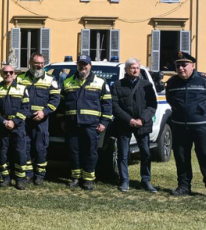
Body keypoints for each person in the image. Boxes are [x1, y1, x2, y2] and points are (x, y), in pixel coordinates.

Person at [166, 52, 206, 199]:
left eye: (184, 65)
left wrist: (204, 113)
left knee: (205, 156)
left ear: (192, 65)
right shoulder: (172, 83)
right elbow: (170, 100)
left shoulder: (205, 80)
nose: (181, 68)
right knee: (181, 157)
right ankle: (183, 186)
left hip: (201, 126)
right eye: (178, 66)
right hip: (180, 126)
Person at [58, 55, 113, 190]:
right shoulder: (68, 82)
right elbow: (62, 104)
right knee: (73, 151)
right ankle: (75, 177)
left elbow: (107, 104)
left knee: (90, 152)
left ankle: (88, 179)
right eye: (80, 64)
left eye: (85, 64)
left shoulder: (100, 82)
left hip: (91, 124)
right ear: (77, 65)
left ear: (90, 66)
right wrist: (61, 119)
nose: (83, 67)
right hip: (72, 124)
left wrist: (104, 122)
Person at [111, 58, 158, 193]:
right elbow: (115, 106)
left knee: (145, 153)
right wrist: (129, 120)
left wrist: (142, 119)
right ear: (126, 69)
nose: (135, 70)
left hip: (143, 123)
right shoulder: (117, 85)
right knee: (123, 154)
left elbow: (152, 105)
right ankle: (124, 180)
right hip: (124, 123)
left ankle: (146, 180)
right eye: (132, 68)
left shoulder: (147, 85)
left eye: (137, 68)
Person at [17, 52, 61, 185]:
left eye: (42, 63)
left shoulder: (51, 79)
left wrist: (44, 112)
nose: (40, 66)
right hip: (25, 120)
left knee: (40, 148)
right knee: (25, 147)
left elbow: (55, 99)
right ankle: (28, 174)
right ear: (30, 63)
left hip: (41, 120)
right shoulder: (20, 78)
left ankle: (40, 175)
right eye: (37, 63)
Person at [0, 64, 30, 189]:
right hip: (2, 127)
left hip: (18, 127)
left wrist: (14, 122)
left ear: (14, 74)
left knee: (19, 152)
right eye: (5, 72)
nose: (8, 74)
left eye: (11, 72)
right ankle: (5, 178)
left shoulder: (22, 88)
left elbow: (26, 108)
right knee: (2, 153)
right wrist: (3, 122)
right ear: (1, 74)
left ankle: (20, 179)